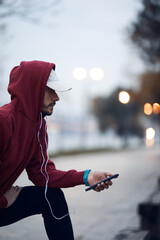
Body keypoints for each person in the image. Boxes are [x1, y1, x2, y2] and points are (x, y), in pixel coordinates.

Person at [0, 60, 116, 240]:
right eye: (51, 91)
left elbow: (42, 174)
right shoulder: (4, 121)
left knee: (52, 197)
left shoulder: (37, 125)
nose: (57, 98)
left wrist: (87, 176)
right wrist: (4, 200)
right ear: (33, 91)